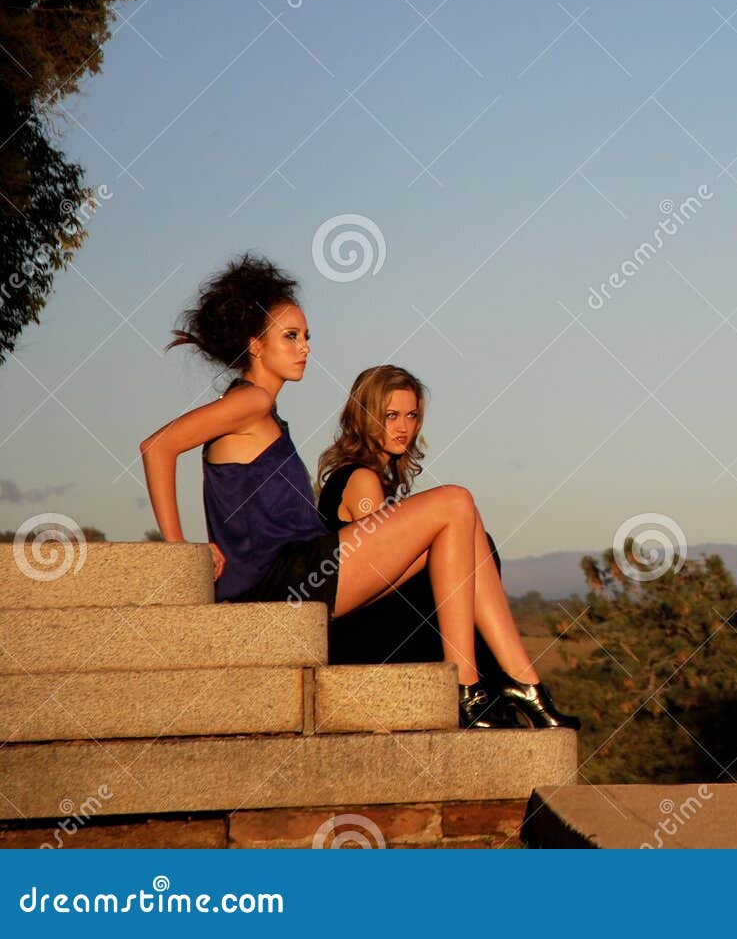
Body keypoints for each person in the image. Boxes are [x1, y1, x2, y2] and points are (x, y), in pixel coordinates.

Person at [138, 254, 578, 731]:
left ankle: (521, 684)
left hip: (302, 569)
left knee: (465, 531)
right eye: (291, 337)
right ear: (255, 345)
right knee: (455, 502)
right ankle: (468, 688)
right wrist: (179, 548)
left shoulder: (258, 409)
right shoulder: (251, 400)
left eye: (306, 337)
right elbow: (157, 447)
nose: (305, 347)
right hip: (285, 578)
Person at [314, 365, 543, 725]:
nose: (403, 427)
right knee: (468, 555)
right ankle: (494, 687)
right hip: (360, 635)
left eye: (411, 415)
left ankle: (495, 688)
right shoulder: (361, 479)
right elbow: (378, 578)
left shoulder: (369, 475)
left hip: (373, 624)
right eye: (391, 416)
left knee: (472, 549)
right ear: (364, 417)